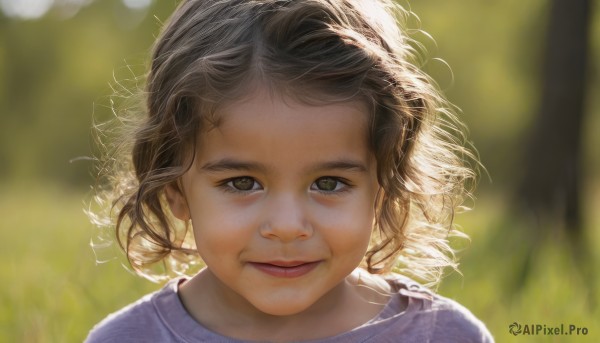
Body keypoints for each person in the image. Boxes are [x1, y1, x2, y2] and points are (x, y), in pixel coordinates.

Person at [86, 0, 494, 341]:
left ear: (384, 184)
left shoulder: (445, 335)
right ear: (175, 188)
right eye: (242, 183)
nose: (286, 226)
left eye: (329, 183)